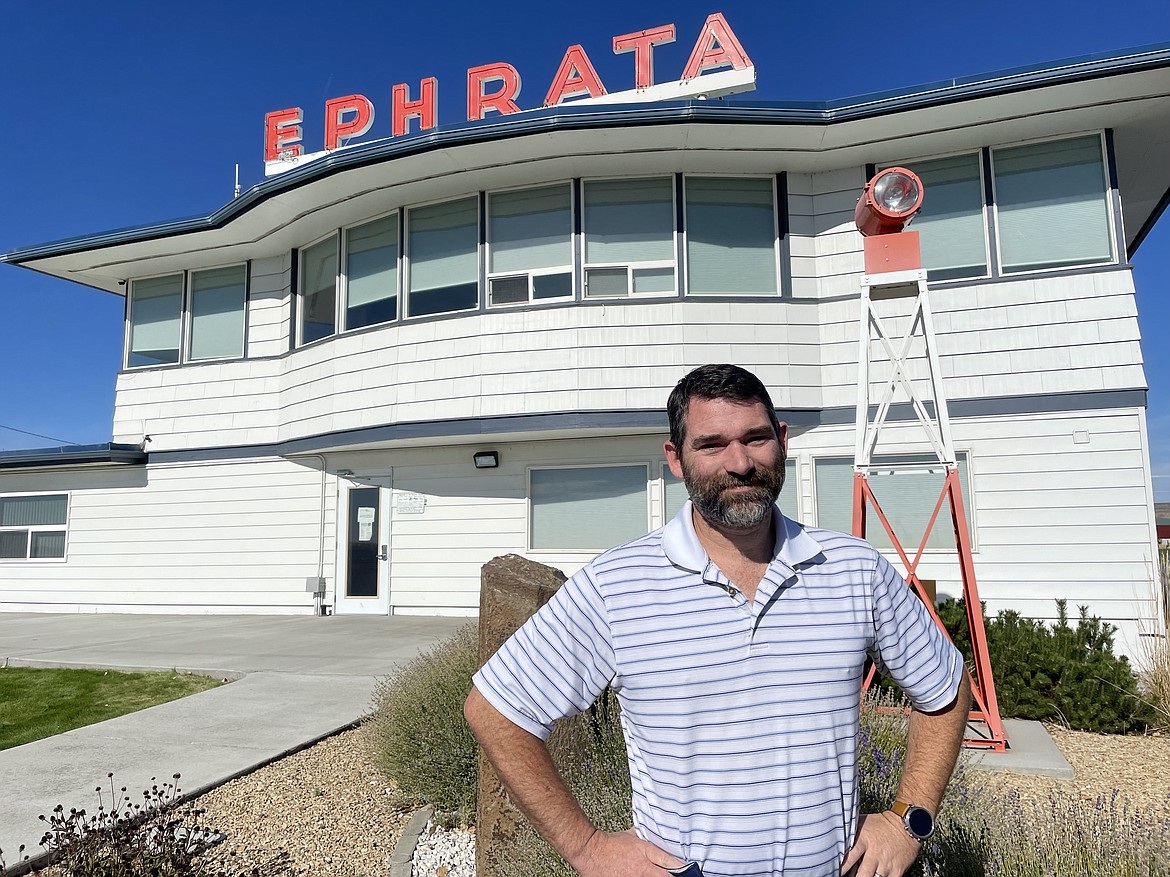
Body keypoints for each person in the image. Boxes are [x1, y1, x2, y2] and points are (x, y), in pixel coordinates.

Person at [465, 363, 972, 877]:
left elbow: (947, 689)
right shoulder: (616, 585)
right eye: (711, 445)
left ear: (782, 441)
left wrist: (910, 820)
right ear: (676, 459)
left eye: (755, 439)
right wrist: (587, 847)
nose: (740, 463)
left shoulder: (854, 569)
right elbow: (496, 709)